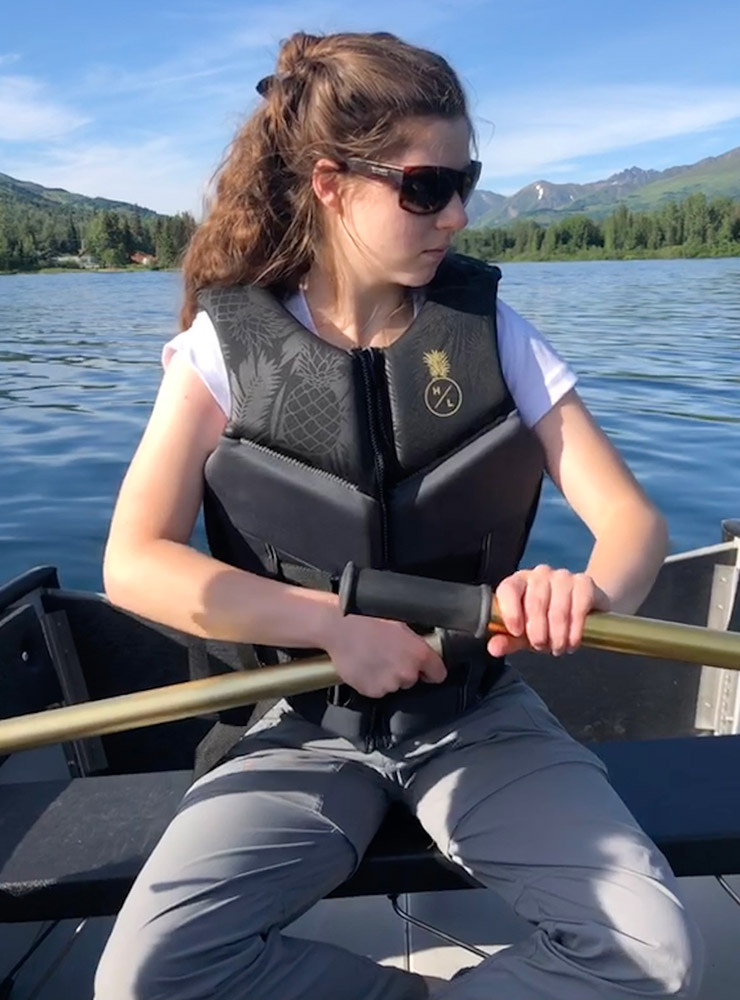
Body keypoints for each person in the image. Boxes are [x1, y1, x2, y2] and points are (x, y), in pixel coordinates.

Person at [94, 30, 703, 1000]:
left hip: (475, 712)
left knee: (654, 957)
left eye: (466, 180)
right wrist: (333, 631)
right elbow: (134, 561)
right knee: (148, 979)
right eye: (425, 187)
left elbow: (632, 524)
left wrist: (580, 587)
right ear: (332, 183)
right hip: (299, 717)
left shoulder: (495, 330)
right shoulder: (222, 349)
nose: (456, 213)